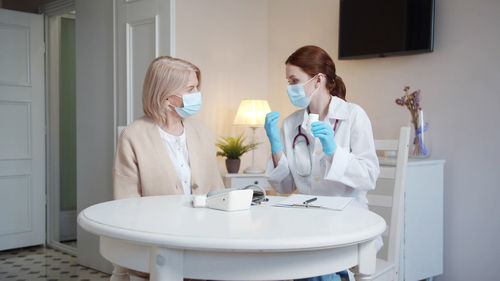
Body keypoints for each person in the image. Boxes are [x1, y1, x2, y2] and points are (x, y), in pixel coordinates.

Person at [264, 45, 380, 281]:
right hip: (305, 226)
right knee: (271, 263)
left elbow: (369, 176)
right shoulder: (291, 124)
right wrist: (276, 147)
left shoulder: (353, 115)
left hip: (347, 225)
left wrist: (333, 151)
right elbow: (285, 187)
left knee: (312, 270)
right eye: (288, 81)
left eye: (294, 80)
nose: (290, 88)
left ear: (318, 80)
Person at [112, 56, 224, 281]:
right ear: (165, 94)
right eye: (190, 89)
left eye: (197, 88)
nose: (197, 95)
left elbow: (216, 190)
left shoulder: (201, 131)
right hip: (154, 249)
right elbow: (125, 205)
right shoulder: (133, 135)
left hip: (202, 245)